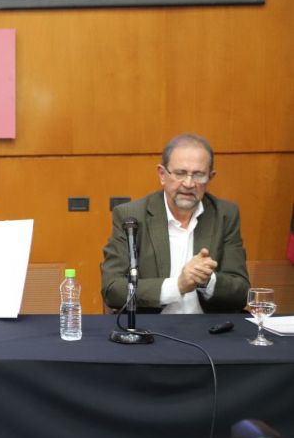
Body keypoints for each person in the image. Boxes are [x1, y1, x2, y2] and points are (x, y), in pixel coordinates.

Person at [101, 133, 249, 313]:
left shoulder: (224, 215)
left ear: (210, 177)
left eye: (199, 175)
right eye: (180, 173)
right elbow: (113, 288)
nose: (188, 183)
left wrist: (207, 280)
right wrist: (177, 286)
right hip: (152, 331)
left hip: (209, 331)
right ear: (162, 174)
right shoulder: (131, 216)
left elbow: (241, 292)